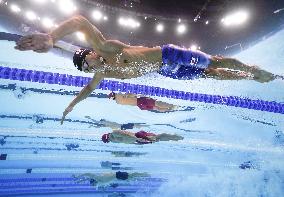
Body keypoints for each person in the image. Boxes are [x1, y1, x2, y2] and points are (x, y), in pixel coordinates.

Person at [14, 15, 278, 124]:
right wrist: (72, 105)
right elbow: (88, 89)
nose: (90, 67)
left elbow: (81, 22)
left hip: (170, 54)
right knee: (212, 75)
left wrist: (51, 36)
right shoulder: (102, 74)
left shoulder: (106, 49)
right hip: (166, 70)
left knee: (217, 61)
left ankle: (254, 71)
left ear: (91, 53)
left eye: (87, 62)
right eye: (86, 68)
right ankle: (249, 77)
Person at [108, 92, 177, 112]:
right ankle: (172, 106)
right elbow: (130, 95)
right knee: (157, 103)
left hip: (140, 106)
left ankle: (170, 109)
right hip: (141, 101)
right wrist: (140, 94)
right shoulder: (119, 95)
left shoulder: (118, 102)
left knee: (157, 108)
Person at [73, 171, 149, 188]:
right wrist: (79, 181)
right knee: (131, 177)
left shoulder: (98, 178)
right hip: (118, 176)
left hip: (118, 175)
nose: (94, 186)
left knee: (132, 176)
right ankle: (144, 175)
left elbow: (88, 174)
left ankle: (145, 174)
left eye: (93, 184)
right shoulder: (100, 181)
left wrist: (77, 177)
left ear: (94, 181)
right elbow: (89, 178)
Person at [101, 130, 184, 144]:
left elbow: (127, 141)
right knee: (160, 136)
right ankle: (177, 137)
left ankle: (175, 138)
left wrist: (137, 141)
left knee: (158, 138)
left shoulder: (114, 140)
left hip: (137, 140)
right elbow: (127, 135)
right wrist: (138, 138)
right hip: (138, 137)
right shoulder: (114, 133)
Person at [85, 115, 150, 130]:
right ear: (102, 120)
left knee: (134, 125)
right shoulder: (105, 123)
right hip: (122, 126)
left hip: (122, 127)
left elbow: (98, 126)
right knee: (134, 125)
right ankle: (145, 125)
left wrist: (92, 125)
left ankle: (145, 125)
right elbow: (97, 123)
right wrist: (89, 118)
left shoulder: (107, 124)